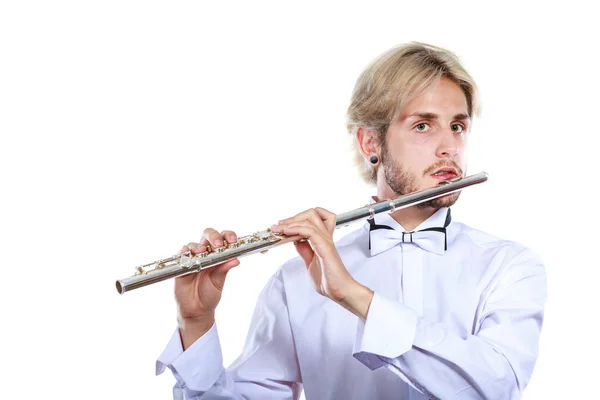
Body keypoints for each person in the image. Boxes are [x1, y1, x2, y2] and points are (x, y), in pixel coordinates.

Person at [156, 42, 547, 399]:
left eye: (457, 126)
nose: (449, 147)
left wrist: (352, 295)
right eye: (423, 125)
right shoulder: (295, 283)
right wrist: (196, 323)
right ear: (370, 144)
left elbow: (493, 386)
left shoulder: (509, 267)